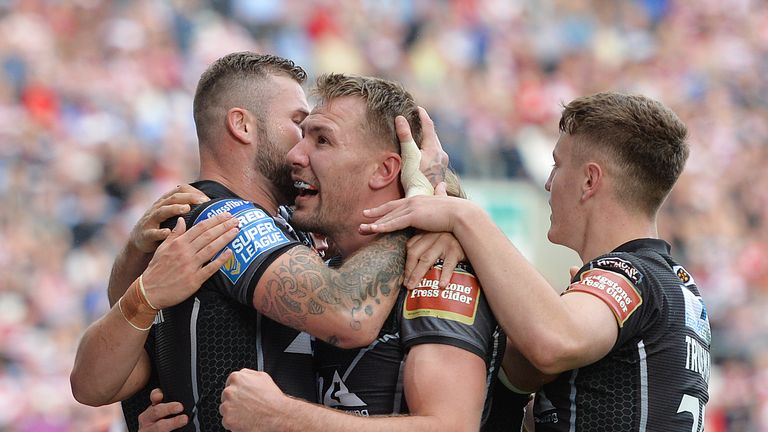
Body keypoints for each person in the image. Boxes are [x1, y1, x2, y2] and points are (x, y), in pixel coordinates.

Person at [70, 53, 430, 432]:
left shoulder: (274, 223)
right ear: (242, 125)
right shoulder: (224, 222)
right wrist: (410, 212)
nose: (300, 150)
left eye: (318, 137)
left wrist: (446, 211)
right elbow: (350, 314)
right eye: (298, 125)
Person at [361, 92, 711, 431]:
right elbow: (515, 370)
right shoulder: (676, 285)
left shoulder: (630, 274)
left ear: (590, 181)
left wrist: (464, 218)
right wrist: (442, 195)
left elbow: (553, 341)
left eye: (557, 165)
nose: (547, 183)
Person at [217, 73, 506, 432]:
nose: (295, 154)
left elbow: (451, 427)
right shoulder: (326, 266)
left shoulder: (438, 274)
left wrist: (281, 417)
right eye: (302, 134)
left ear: (384, 170)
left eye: (322, 140)